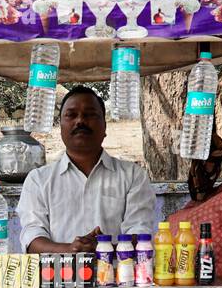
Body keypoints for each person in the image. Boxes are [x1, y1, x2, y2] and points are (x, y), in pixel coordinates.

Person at [17, 86, 157, 253]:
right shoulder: (38, 180)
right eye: (71, 115)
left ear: (105, 126)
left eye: (90, 114)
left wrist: (104, 249)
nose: (80, 121)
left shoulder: (133, 176)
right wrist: (71, 249)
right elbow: (32, 239)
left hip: (118, 275)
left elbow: (140, 233)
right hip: (58, 277)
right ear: (60, 126)